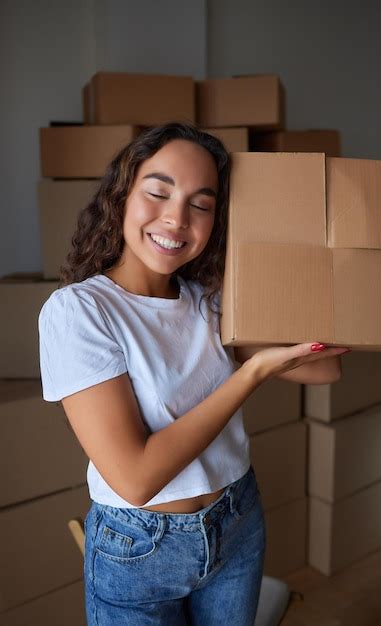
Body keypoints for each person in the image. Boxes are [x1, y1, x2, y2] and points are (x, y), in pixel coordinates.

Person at [38, 122, 350, 625]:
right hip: (139, 549)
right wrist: (249, 375)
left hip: (237, 519)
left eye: (200, 204)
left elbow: (325, 368)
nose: (176, 218)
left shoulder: (210, 302)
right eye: (159, 192)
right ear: (121, 196)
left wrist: (287, 261)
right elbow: (136, 478)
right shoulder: (80, 311)